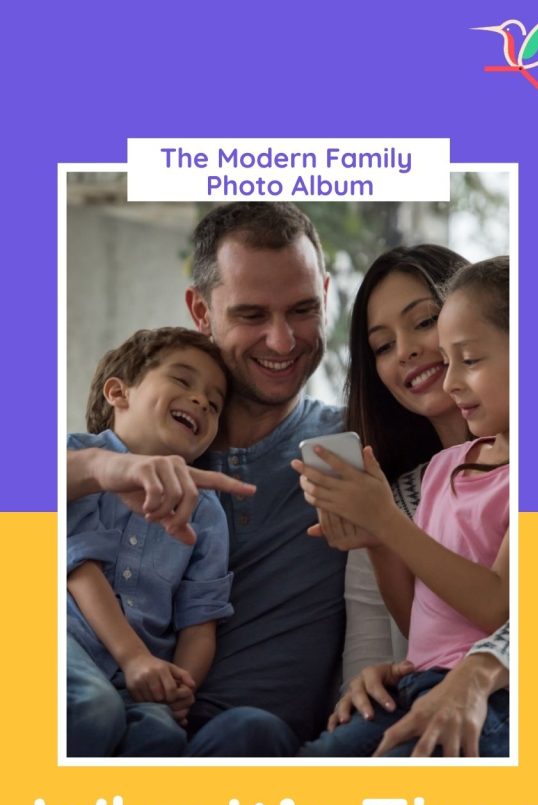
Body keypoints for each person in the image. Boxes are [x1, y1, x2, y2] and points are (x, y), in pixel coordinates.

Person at [68, 204, 346, 754]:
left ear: (327, 295)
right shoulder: (138, 436)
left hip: (239, 746)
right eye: (250, 314)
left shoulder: (350, 443)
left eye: (302, 309)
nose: (283, 340)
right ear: (200, 309)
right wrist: (103, 468)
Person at [294, 256, 510, 757]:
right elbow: (426, 625)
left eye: (424, 322)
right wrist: (378, 539)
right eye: (383, 346)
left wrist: (388, 524)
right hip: (419, 683)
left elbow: (504, 607)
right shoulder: (430, 477)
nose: (411, 351)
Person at [67, 327, 243, 755]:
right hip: (65, 646)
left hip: (140, 680)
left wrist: (179, 685)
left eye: (215, 403)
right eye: (183, 381)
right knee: (93, 708)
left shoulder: (206, 512)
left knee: (161, 735)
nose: (202, 400)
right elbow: (79, 567)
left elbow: (199, 622)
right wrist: (133, 658)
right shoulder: (76, 460)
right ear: (118, 393)